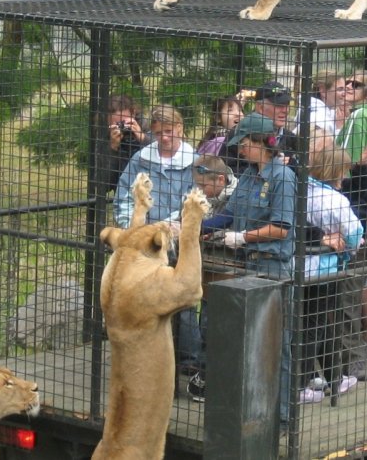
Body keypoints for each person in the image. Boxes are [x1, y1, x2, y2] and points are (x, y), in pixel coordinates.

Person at [218, 112, 298, 427]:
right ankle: (251, 412)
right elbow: (228, 215)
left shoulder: (282, 177)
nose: (240, 150)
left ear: (263, 143)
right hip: (246, 268)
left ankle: (281, 417)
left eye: (245, 144)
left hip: (272, 269)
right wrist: (190, 226)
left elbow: (281, 227)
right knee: (247, 342)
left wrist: (242, 237)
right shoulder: (250, 175)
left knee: (276, 345)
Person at [296, 139, 363, 404]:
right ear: (335, 170)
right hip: (325, 271)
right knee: (317, 327)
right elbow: (356, 235)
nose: (346, 176)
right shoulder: (335, 200)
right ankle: (301, 385)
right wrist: (345, 241)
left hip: (301, 269)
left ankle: (327, 377)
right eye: (344, 170)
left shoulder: (303, 190)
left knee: (309, 324)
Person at [179, 155, 237, 401]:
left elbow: (231, 220)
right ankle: (203, 372)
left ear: (221, 179)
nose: (200, 190)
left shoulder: (236, 195)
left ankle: (210, 375)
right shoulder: (202, 194)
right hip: (207, 265)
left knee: (218, 324)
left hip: (230, 266)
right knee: (206, 320)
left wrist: (200, 228)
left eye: (203, 186)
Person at [113, 104, 196, 228]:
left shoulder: (194, 161)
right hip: (139, 235)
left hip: (178, 234)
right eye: (158, 133)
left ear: (179, 127)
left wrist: (162, 229)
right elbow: (123, 198)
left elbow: (192, 206)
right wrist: (133, 227)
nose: (164, 137)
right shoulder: (140, 158)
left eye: (168, 131)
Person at [97, 94, 151, 195]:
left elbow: (164, 161)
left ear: (133, 113)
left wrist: (143, 138)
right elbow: (103, 186)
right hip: (124, 197)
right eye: (117, 124)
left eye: (124, 122)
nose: (122, 127)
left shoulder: (150, 130)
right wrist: (112, 149)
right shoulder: (104, 138)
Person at [252, 80, 300, 159]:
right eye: (279, 105)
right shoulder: (241, 135)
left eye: (287, 104)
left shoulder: (291, 139)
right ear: (260, 107)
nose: (285, 110)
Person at [196, 94, 244, 165]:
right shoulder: (220, 141)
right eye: (230, 111)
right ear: (218, 118)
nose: (238, 114)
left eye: (240, 110)